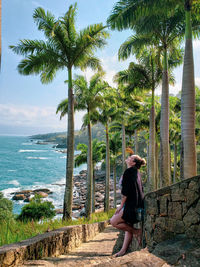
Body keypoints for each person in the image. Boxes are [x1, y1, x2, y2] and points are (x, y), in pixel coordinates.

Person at [110, 154, 146, 257]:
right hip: (136, 203)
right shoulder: (136, 172)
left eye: (131, 157)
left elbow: (125, 192)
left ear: (133, 162)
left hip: (130, 204)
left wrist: (121, 206)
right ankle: (123, 251)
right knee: (128, 226)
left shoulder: (129, 172)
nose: (128, 157)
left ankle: (137, 232)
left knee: (114, 222)